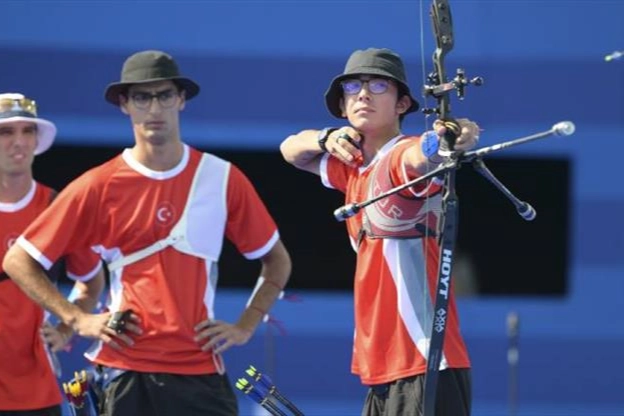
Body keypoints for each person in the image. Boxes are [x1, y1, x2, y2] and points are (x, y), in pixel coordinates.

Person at [3, 50, 292, 416]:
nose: (154, 108)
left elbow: (277, 260)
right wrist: (77, 320)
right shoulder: (99, 184)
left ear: (181, 99)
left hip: (200, 371)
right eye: (142, 97)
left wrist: (246, 325)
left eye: (164, 95)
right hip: (124, 370)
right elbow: (18, 261)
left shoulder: (221, 178)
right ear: (124, 104)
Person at [280, 48, 480, 416]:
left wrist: (444, 140)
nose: (363, 94)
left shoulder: (399, 156)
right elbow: (290, 149)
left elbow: (420, 158)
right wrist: (325, 138)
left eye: (377, 86)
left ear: (402, 104)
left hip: (424, 359)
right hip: (384, 364)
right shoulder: (354, 168)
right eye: (352, 87)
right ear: (343, 107)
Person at [0, 93, 105, 415]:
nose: (18, 141)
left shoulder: (56, 208)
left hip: (36, 392)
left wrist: (64, 329)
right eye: (6, 132)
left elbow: (92, 283)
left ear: (36, 140)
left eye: (27, 131)